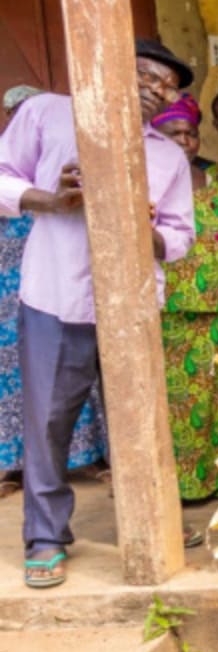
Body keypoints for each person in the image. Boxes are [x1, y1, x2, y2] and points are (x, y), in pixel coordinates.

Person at [0, 39, 195, 587]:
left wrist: (146, 227)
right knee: (48, 422)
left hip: (131, 305)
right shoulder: (47, 114)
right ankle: (44, 535)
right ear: (112, 65)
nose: (156, 92)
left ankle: (151, 530)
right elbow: (2, 177)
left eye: (167, 88)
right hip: (55, 295)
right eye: (147, 76)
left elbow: (179, 239)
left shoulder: (166, 155)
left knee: (142, 420)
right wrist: (49, 200)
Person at [0, 86, 109, 502]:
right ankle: (19, 469)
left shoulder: (65, 160)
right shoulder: (21, 176)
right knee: (28, 385)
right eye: (12, 113)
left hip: (77, 286)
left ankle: (94, 457)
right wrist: (48, 201)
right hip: (24, 289)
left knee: (89, 384)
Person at [152, 94, 218, 508]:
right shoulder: (148, 179)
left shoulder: (217, 175)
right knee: (184, 399)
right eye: (174, 134)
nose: (185, 141)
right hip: (173, 304)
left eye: (190, 133)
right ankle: (191, 486)